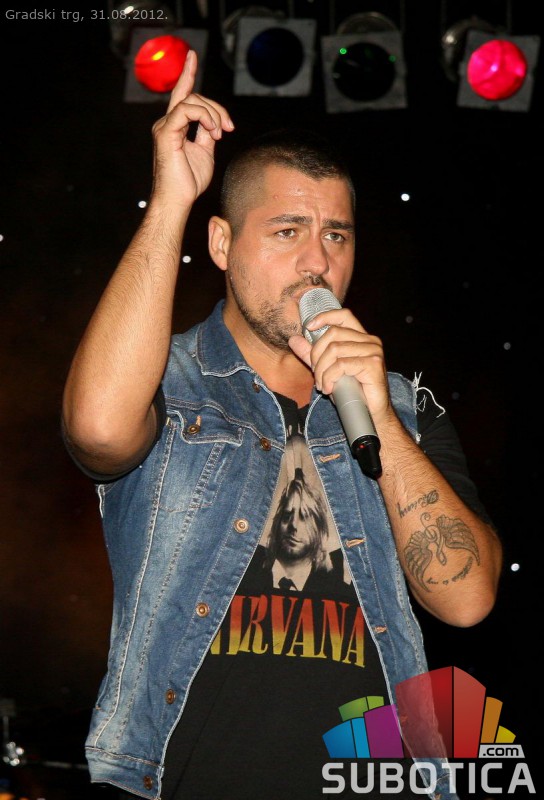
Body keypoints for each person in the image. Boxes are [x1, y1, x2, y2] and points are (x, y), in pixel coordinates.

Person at [61, 50, 502, 800]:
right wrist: (171, 201)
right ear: (223, 244)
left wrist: (379, 414)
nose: (317, 263)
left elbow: (466, 599)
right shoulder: (169, 382)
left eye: (337, 235)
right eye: (288, 231)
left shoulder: (404, 406)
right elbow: (98, 431)